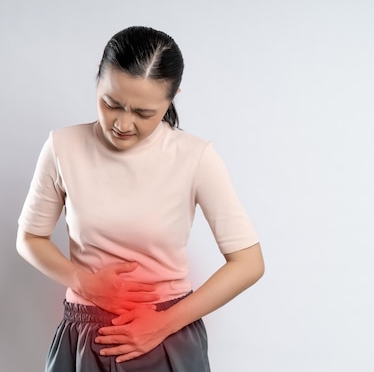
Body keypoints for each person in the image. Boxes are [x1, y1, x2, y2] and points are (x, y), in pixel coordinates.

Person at [16, 26, 264, 372]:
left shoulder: (196, 157)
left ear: (172, 97)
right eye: (111, 103)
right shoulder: (62, 146)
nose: (122, 123)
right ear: (98, 79)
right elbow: (29, 238)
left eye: (143, 113)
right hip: (84, 337)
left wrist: (163, 324)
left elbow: (249, 263)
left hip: (168, 338)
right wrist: (82, 280)